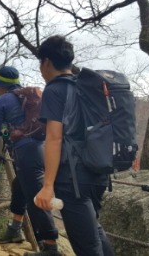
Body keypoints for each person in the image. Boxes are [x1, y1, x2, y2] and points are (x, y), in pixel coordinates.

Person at [34, 35, 114, 256]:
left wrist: (48, 185)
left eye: (40, 64)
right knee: (94, 232)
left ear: (47, 62)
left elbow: (54, 138)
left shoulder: (54, 89)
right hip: (98, 172)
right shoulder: (86, 88)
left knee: (86, 246)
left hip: (72, 179)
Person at [0, 66, 61, 256]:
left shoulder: (1, 100)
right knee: (19, 185)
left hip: (26, 151)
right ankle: (15, 228)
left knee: (37, 197)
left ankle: (51, 248)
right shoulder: (32, 97)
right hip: (46, 149)